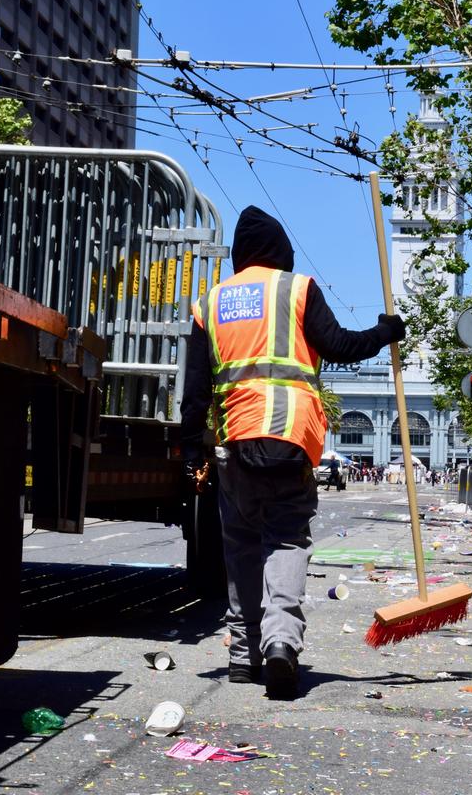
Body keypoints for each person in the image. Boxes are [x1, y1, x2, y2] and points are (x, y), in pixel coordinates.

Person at [180, 205, 405, 700]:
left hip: (236, 443)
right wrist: (386, 331)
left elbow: (195, 392)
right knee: (285, 541)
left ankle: (243, 656)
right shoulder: (296, 289)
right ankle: (281, 642)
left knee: (239, 545)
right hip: (291, 441)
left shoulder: (210, 303)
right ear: (281, 251)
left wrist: (189, 450)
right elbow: (341, 346)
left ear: (239, 256)